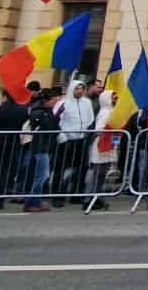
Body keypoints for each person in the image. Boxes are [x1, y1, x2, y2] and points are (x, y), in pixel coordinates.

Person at [52, 80, 96, 208]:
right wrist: (62, 136)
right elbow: (56, 121)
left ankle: (76, 193)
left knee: (81, 167)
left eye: (82, 89)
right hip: (67, 140)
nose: (79, 91)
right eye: (77, 88)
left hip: (81, 139)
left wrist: (87, 133)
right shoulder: (62, 103)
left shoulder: (87, 103)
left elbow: (90, 119)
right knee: (61, 169)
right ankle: (57, 195)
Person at [22, 88, 62, 213]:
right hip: (40, 147)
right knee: (41, 175)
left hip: (47, 146)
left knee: (40, 175)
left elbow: (55, 128)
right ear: (46, 101)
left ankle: (36, 200)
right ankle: (31, 202)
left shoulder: (48, 111)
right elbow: (48, 126)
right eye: (54, 100)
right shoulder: (38, 112)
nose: (55, 103)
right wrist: (56, 116)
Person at [87, 90, 118, 210]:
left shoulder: (112, 112)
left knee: (101, 174)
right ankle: (89, 198)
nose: (116, 100)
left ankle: (97, 197)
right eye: (114, 98)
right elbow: (99, 129)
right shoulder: (105, 112)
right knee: (97, 173)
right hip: (101, 144)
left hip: (108, 144)